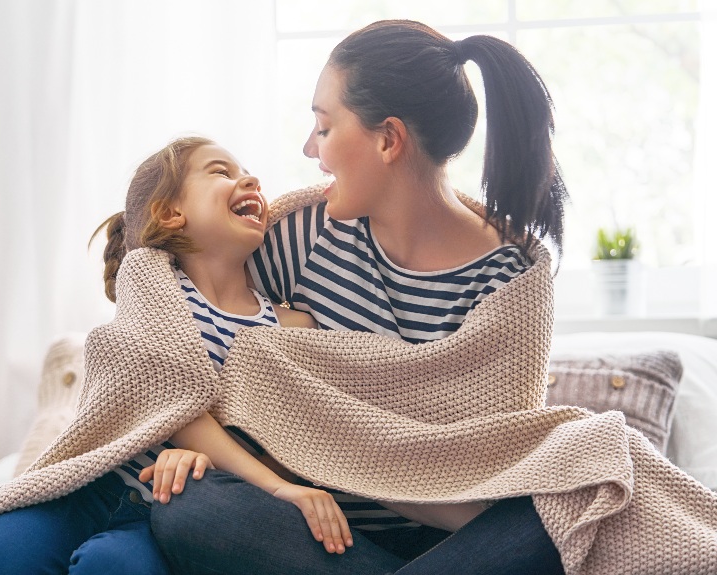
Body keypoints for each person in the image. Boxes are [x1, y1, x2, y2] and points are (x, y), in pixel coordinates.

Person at [150, 19, 569, 575]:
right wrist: (195, 439)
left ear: (387, 139)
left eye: (323, 127)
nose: (308, 147)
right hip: (314, 536)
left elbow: (486, 478)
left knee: (562, 510)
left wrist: (347, 453)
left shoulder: (509, 282)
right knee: (193, 508)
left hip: (452, 547)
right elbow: (187, 332)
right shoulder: (303, 236)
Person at [0, 136, 376, 575]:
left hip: (165, 516)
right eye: (221, 172)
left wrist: (219, 473)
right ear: (171, 214)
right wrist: (277, 488)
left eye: (246, 173)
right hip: (96, 488)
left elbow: (299, 433)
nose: (251, 180)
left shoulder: (294, 327)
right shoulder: (150, 281)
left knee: (111, 567)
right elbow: (165, 392)